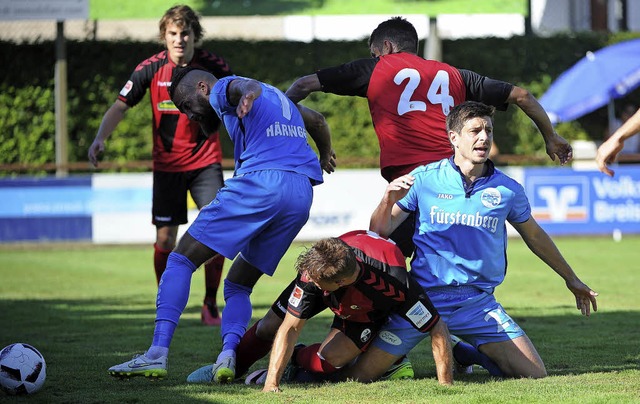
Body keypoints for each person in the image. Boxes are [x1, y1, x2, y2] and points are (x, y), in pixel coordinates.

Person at [107, 67, 336, 381]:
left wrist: (248, 93)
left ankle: (156, 354)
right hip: (300, 195)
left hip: (262, 182)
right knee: (238, 284)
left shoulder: (222, 89)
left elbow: (245, 85)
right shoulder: (278, 98)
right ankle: (228, 356)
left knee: (180, 258)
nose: (187, 115)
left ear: (201, 87)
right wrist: (326, 154)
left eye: (186, 105)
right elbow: (318, 120)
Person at [285, 16, 573, 257]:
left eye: (375, 54)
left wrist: (281, 129)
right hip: (455, 182)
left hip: (413, 185)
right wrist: (551, 137)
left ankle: (380, 322)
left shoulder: (375, 69)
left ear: (385, 47)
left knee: (378, 261)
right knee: (439, 262)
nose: (374, 59)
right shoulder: (456, 75)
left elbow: (302, 86)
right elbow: (522, 95)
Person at [357, 101, 598, 380]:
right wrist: (387, 200)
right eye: (475, 131)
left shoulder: (508, 190)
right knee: (361, 375)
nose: (484, 137)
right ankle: (447, 348)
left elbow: (535, 236)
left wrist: (571, 278)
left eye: (488, 130)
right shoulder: (424, 180)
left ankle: (468, 351)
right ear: (454, 138)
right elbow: (378, 232)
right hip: (422, 300)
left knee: (534, 374)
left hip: (477, 303)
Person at [88, 5, 232, 326]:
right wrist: (99, 138)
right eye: (172, 34)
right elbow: (119, 106)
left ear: (195, 36)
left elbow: (239, 100)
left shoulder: (213, 67)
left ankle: (210, 303)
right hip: (167, 166)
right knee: (166, 239)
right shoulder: (150, 69)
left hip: (206, 162)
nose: (179, 39)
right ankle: (165, 302)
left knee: (218, 231)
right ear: (164, 37)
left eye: (185, 33)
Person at [187, 230, 453, 388]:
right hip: (327, 273)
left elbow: (436, 328)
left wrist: (445, 384)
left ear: (340, 282)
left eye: (317, 282)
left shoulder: (393, 284)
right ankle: (228, 369)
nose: (309, 282)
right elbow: (290, 327)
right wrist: (271, 385)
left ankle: (293, 362)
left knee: (331, 362)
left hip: (364, 309)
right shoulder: (315, 271)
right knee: (270, 326)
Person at [597, 105, 640, 176]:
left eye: (632, 113)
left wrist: (616, 138)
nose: (630, 115)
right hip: (617, 161)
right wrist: (616, 139)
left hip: (633, 160)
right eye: (628, 112)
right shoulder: (615, 124)